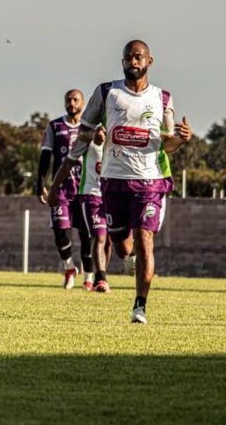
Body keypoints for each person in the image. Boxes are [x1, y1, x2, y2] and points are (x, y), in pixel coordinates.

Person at [50, 39, 191, 324]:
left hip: (149, 181)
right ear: (122, 61)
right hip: (113, 180)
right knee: (123, 246)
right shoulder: (106, 93)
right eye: (128, 57)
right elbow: (84, 136)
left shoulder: (162, 98)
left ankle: (140, 305)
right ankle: (130, 264)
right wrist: (56, 184)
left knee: (144, 240)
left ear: (149, 61)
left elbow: (168, 143)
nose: (133, 62)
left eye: (138, 57)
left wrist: (182, 138)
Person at [36, 90, 94, 290]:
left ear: (83, 103)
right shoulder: (55, 126)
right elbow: (45, 157)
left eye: (75, 99)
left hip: (85, 187)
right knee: (60, 230)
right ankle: (69, 267)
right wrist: (40, 184)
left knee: (87, 235)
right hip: (61, 189)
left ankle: (89, 277)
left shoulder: (91, 127)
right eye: (68, 100)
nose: (71, 103)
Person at [48, 126, 113, 292]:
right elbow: (68, 162)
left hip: (114, 194)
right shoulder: (85, 140)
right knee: (98, 237)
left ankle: (130, 255)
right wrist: (53, 188)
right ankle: (100, 279)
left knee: (116, 242)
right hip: (91, 195)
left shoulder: (118, 139)